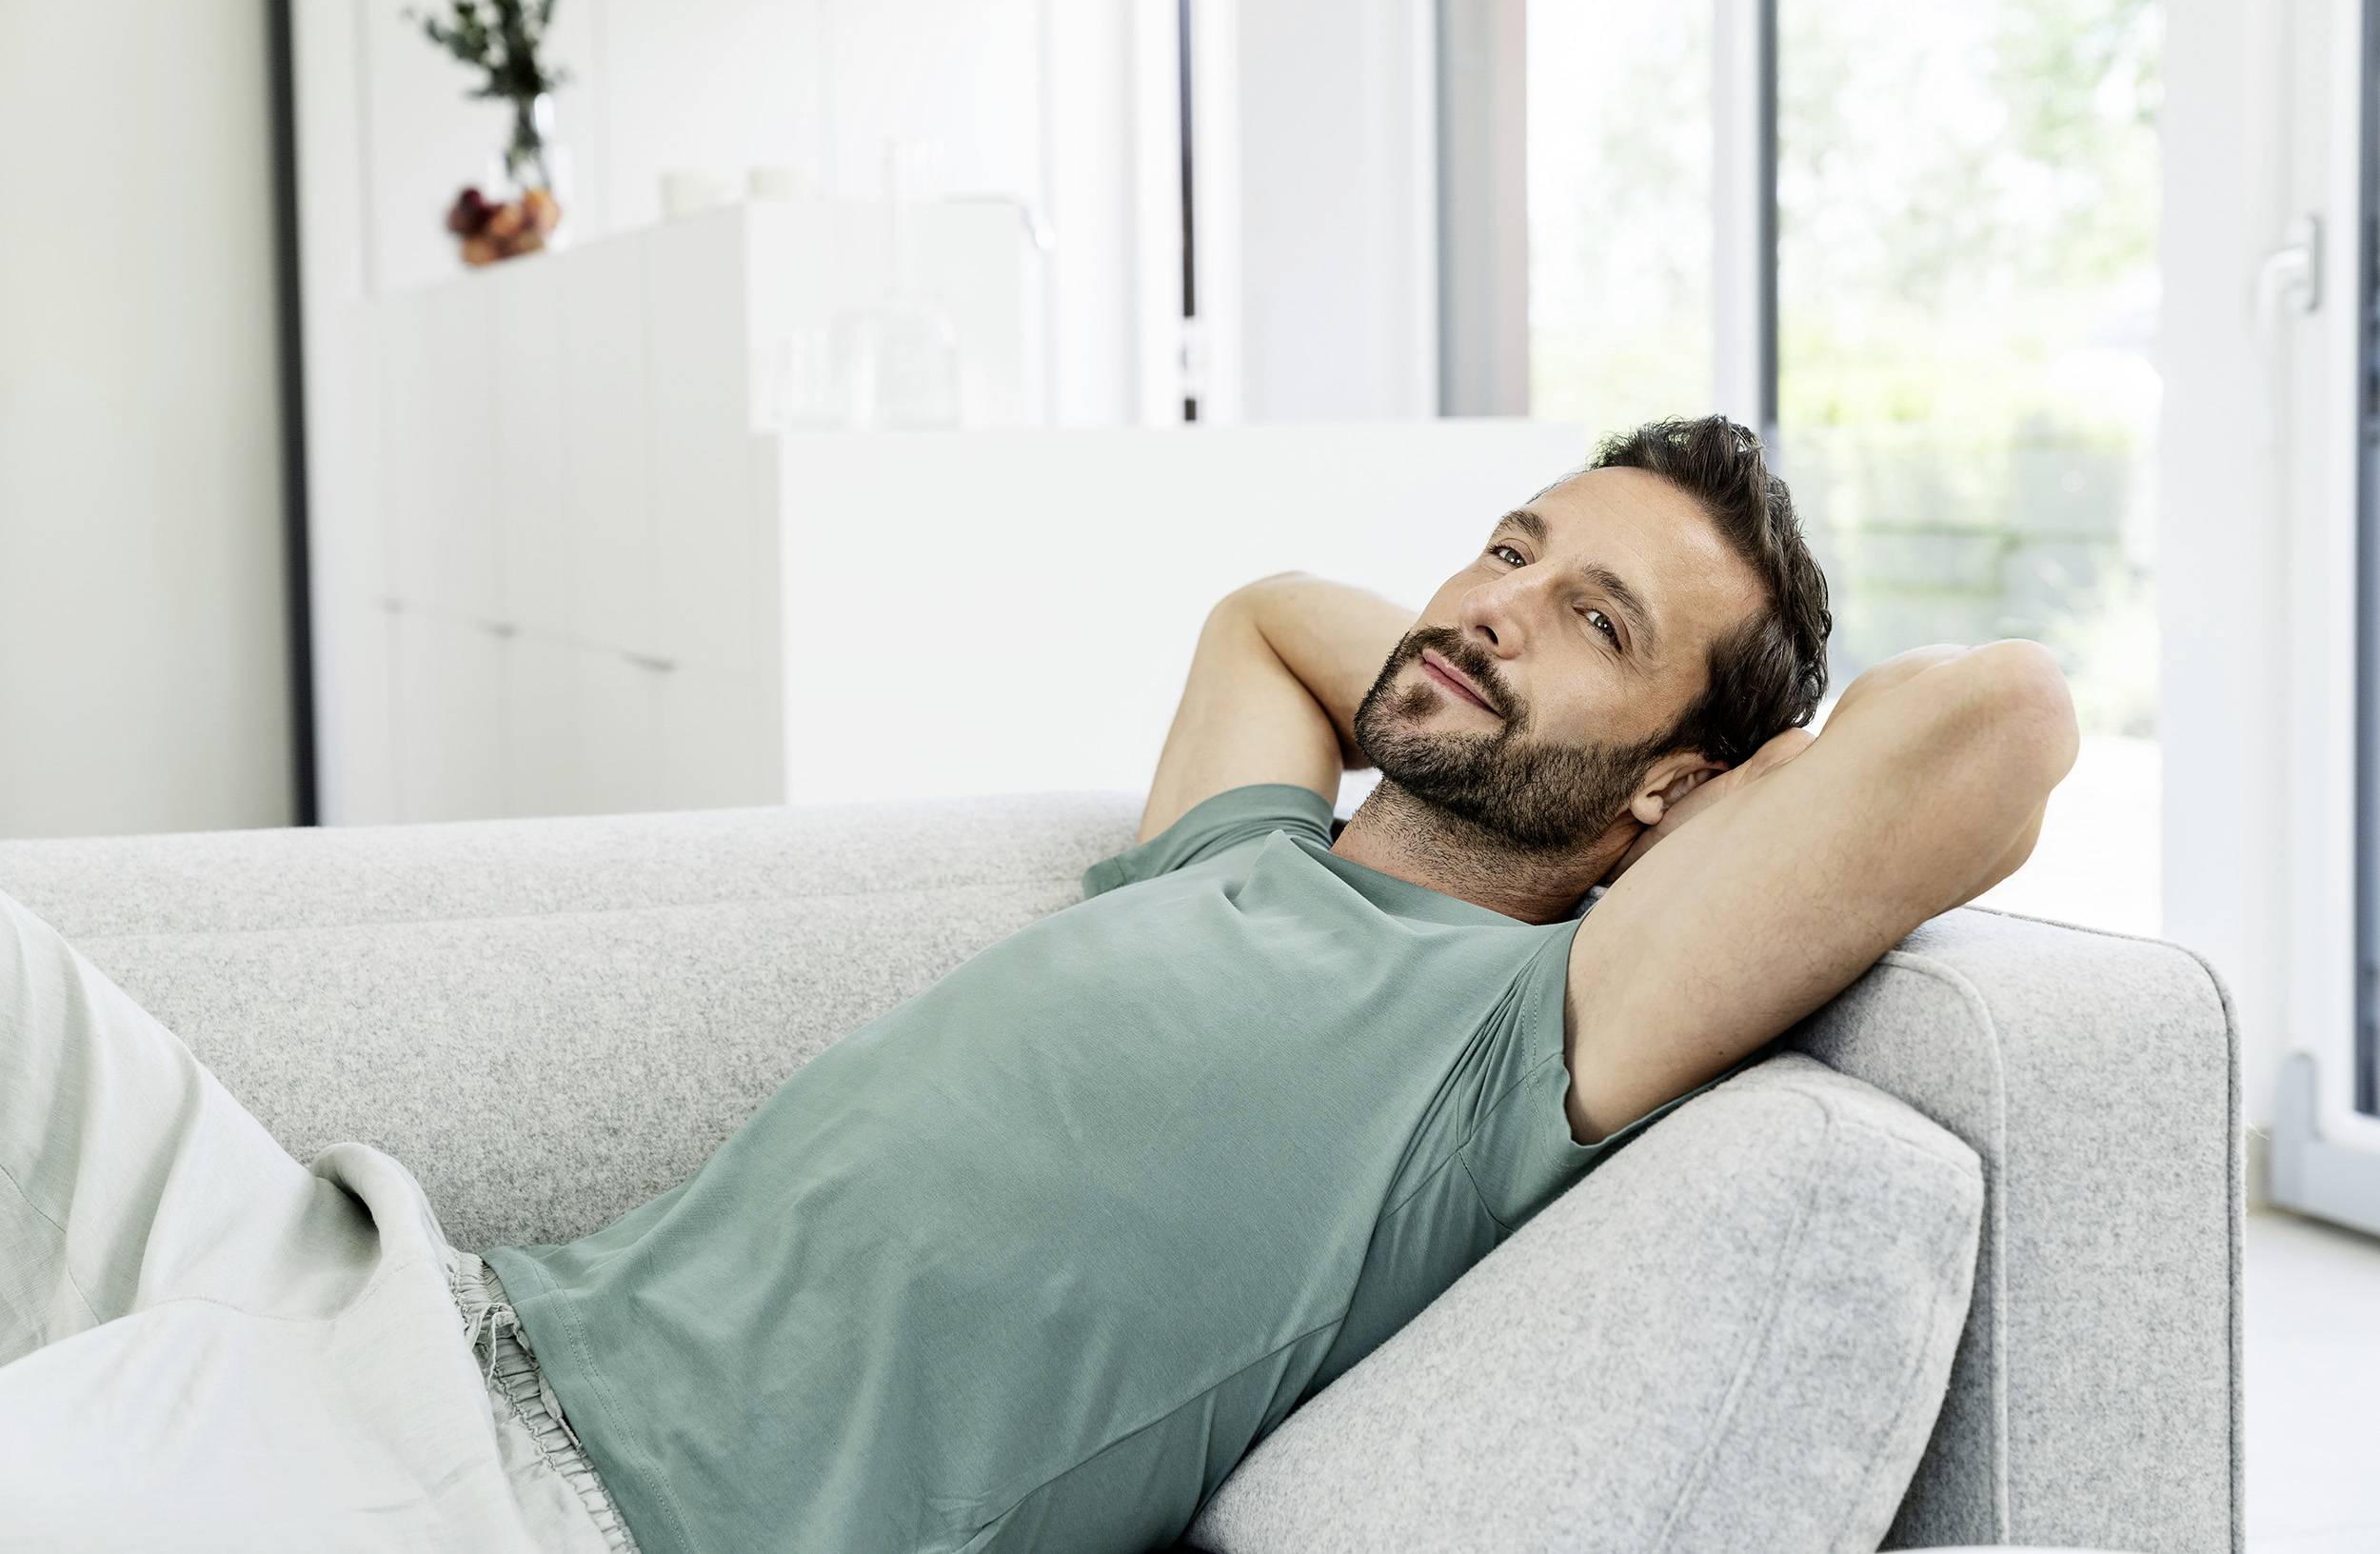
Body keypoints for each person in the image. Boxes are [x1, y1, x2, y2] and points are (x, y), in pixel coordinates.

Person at [0, 415, 2076, 1554]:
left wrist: (1663, 799)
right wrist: (1507, 669)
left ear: (1681, 791)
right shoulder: (1241, 853)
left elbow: (1989, 722)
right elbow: (1263, 614)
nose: (1488, 606)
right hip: (392, 1294)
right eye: (1501, 549)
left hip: (530, 1512)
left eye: (1589, 617)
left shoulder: (1505, 1051)